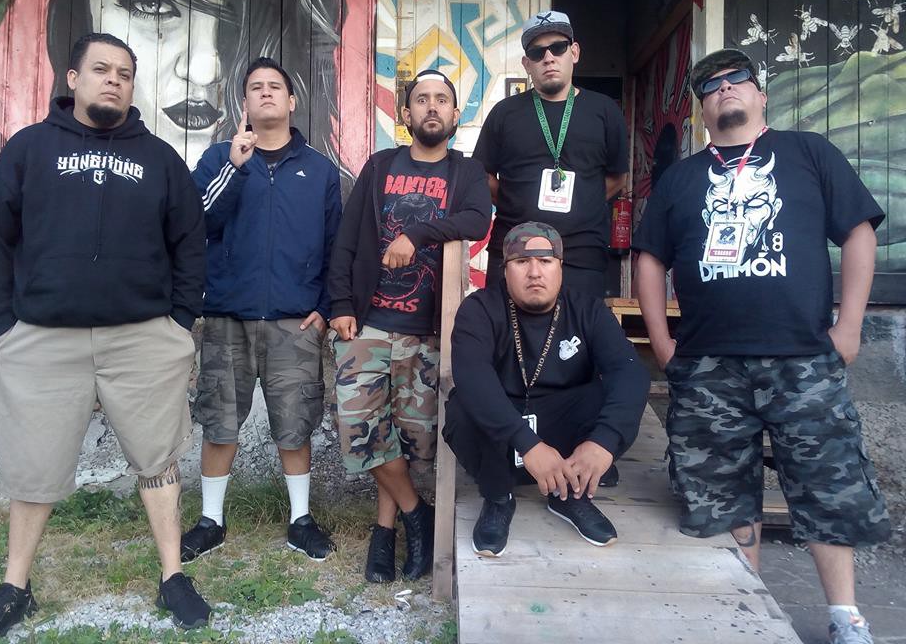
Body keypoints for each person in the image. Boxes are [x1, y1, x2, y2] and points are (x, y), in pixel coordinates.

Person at [634, 48, 890, 644]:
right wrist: (664, 344)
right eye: (711, 85)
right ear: (701, 109)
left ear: (760, 93)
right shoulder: (680, 179)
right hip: (708, 367)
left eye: (737, 79)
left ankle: (846, 617)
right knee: (722, 496)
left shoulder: (809, 153)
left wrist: (850, 326)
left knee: (828, 486)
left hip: (804, 360)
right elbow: (649, 258)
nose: (725, 88)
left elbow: (857, 233)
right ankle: (746, 618)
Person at [0, 33, 209, 641]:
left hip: (142, 338)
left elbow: (190, 243)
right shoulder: (28, 149)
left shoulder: (160, 159)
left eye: (124, 74)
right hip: (43, 340)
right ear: (72, 78)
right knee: (34, 464)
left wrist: (180, 322)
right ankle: (15, 587)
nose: (113, 81)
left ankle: (173, 576)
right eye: (101, 70)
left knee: (157, 458)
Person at [327, 70, 491, 583]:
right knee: (360, 431)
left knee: (410, 440)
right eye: (422, 99)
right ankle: (416, 514)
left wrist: (417, 233)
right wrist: (340, 303)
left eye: (442, 99)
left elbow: (477, 219)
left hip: (427, 330)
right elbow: (347, 239)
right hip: (369, 324)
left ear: (456, 114)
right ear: (406, 113)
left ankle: (385, 532)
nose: (432, 107)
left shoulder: (466, 172)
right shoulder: (380, 166)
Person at [184, 57, 341, 563]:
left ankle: (300, 520)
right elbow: (197, 222)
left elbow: (336, 245)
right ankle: (211, 520)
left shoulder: (319, 169)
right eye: (256, 87)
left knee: (294, 425)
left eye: (276, 86)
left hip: (294, 322)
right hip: (228, 315)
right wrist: (235, 165)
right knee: (220, 422)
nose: (266, 92)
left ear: (292, 102)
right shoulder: (219, 159)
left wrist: (325, 307)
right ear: (244, 103)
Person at [46, 0, 343, 170]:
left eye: (233, 22)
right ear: (80, 14)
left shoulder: (319, 177)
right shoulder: (36, 153)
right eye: (152, 5)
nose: (204, 71)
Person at [443, 222, 648, 557]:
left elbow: (629, 373)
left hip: (562, 426)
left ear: (561, 267)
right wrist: (528, 444)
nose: (535, 272)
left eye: (545, 261)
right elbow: (473, 377)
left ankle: (569, 493)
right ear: (505, 269)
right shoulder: (479, 309)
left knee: (608, 394)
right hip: (503, 435)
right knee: (463, 407)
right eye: (522, 262)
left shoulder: (588, 309)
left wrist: (604, 441)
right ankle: (498, 497)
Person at [474, 10, 628, 297]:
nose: (548, 58)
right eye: (537, 52)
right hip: (514, 251)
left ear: (574, 52)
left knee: (578, 328)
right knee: (504, 327)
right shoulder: (504, 113)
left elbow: (618, 177)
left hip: (581, 255)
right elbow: (482, 176)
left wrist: (584, 202)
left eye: (558, 48)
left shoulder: (605, 110)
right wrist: (516, 201)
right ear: (527, 64)